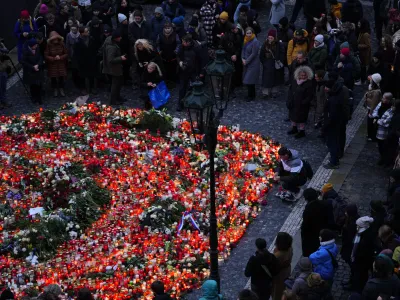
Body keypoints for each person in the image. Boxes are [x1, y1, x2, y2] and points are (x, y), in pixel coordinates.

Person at [323, 72, 347, 169]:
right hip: (337, 122)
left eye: (326, 87)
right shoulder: (338, 94)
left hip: (333, 124)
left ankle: (334, 161)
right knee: (335, 142)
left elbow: (331, 115)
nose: (325, 89)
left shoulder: (333, 99)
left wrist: (325, 126)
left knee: (332, 143)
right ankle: (335, 158)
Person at [177, 34, 205, 111]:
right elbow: (178, 55)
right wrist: (180, 62)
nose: (182, 43)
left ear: (188, 42)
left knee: (195, 88)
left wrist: (202, 71)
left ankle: (195, 104)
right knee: (182, 88)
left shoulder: (197, 47)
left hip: (194, 70)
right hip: (184, 70)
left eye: (184, 42)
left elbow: (202, 60)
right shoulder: (182, 47)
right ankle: (180, 104)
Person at [350, 216, 377, 292]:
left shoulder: (365, 238)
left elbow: (363, 252)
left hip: (362, 263)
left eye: (358, 226)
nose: (356, 227)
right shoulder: (363, 233)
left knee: (361, 277)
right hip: (361, 261)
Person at [287, 65, 314, 138]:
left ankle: (302, 131)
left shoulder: (309, 83)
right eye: (301, 75)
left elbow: (310, 95)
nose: (303, 77)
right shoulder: (295, 81)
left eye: (304, 75)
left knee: (301, 118)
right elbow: (291, 91)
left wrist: (304, 102)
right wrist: (289, 100)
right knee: (293, 116)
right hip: (294, 103)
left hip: (302, 105)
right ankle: (294, 128)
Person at [301, 188, 329, 257]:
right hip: (322, 229)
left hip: (312, 234)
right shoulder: (323, 203)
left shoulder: (308, 209)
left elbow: (306, 225)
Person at [102, 29, 126, 105]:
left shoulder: (110, 41)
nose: (121, 38)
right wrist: (121, 58)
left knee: (118, 83)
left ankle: (117, 97)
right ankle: (112, 101)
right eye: (119, 37)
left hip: (115, 68)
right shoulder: (111, 47)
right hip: (114, 68)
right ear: (116, 38)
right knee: (115, 85)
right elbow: (111, 59)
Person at [74, 26, 99, 95]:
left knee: (91, 75)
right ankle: (83, 88)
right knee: (82, 76)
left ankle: (91, 88)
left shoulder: (91, 39)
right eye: (86, 31)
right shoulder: (77, 41)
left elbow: (95, 49)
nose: (88, 32)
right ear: (82, 33)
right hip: (82, 61)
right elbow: (76, 53)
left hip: (91, 59)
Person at [260, 29, 285, 99]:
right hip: (268, 64)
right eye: (269, 37)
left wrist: (280, 61)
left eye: (271, 38)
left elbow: (282, 53)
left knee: (276, 79)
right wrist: (264, 63)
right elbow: (261, 55)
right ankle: (265, 93)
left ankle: (274, 92)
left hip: (275, 64)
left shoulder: (279, 44)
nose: (270, 39)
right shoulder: (265, 44)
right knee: (266, 79)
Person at [372, 93, 395, 165]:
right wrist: (376, 116)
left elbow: (387, 122)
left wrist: (378, 120)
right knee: (380, 144)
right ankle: (382, 158)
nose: (382, 99)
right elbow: (375, 111)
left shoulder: (391, 110)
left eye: (384, 98)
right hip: (378, 129)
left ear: (388, 100)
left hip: (384, 131)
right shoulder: (381, 104)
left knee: (384, 146)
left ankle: (384, 159)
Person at [341, 204, 360, 289]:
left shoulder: (353, 224)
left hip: (350, 248)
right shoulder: (353, 220)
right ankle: (351, 281)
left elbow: (349, 237)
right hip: (348, 246)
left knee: (353, 267)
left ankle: (353, 283)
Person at [44, 31, 68, 98]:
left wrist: (60, 57)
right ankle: (55, 89)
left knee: (61, 77)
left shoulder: (62, 44)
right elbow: (46, 55)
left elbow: (66, 53)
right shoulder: (48, 45)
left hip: (61, 63)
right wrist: (53, 58)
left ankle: (61, 88)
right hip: (52, 64)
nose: (55, 40)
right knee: (53, 78)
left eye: (56, 39)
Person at [272, 232, 293, 300]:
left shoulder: (277, 255)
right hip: (286, 271)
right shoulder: (290, 248)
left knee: (277, 291)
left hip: (279, 276)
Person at [241, 27, 260, 102]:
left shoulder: (255, 41)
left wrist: (246, 61)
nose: (248, 34)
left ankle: (251, 95)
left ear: (252, 33)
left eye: (250, 33)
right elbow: (243, 49)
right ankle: (251, 94)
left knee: (249, 79)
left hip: (253, 63)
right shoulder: (245, 40)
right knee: (249, 80)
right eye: (247, 33)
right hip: (246, 63)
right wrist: (242, 58)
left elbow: (254, 54)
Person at [364, 73, 383, 141]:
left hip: (372, 110)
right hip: (370, 109)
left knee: (371, 123)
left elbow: (374, 103)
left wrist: (371, 112)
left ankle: (371, 136)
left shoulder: (376, 92)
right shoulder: (373, 88)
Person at [356, 18, 372, 85]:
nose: (358, 25)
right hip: (362, 53)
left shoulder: (365, 34)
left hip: (364, 54)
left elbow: (368, 45)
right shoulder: (361, 32)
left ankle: (363, 80)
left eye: (359, 24)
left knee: (363, 67)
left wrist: (358, 45)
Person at [0, 44, 11, 110]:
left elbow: (6, 50)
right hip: (1, 70)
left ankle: (3, 101)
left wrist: (1, 44)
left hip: (3, 71)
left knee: (3, 88)